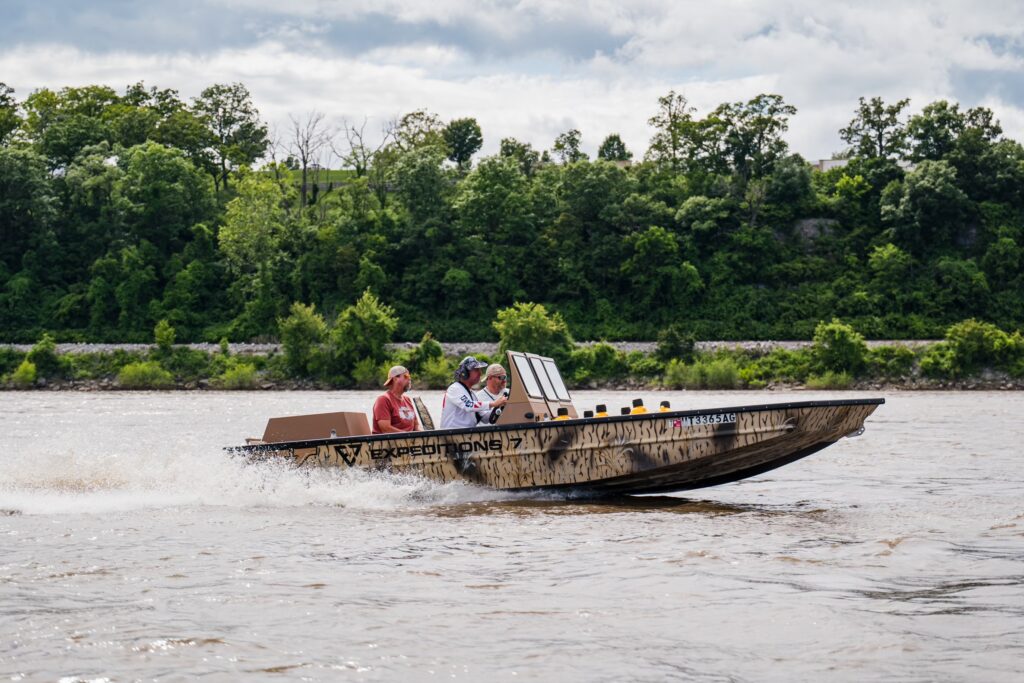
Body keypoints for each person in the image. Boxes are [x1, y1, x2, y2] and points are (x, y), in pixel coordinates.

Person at [440, 356, 507, 429]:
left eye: (480, 370)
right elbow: (469, 405)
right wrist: (494, 403)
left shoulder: (472, 394)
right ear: (465, 373)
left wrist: (500, 407)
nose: (480, 373)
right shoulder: (455, 388)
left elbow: (485, 418)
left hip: (465, 435)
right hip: (451, 435)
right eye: (476, 370)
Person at [371, 365, 419, 434]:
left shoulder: (407, 399)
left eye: (409, 376)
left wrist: (422, 434)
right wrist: (409, 436)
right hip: (388, 443)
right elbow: (386, 429)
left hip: (410, 442)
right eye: (406, 376)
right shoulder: (383, 399)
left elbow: (416, 425)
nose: (409, 379)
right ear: (395, 379)